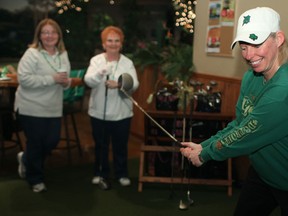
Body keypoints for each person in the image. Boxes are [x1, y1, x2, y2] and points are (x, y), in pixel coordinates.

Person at [180, 7, 288, 216]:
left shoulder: (282, 92)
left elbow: (246, 134)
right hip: (263, 172)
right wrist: (203, 145)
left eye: (256, 43)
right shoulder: (251, 77)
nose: (249, 55)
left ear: (279, 39)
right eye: (244, 46)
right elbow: (240, 123)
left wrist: (205, 155)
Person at [16, 18, 71, 193]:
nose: (49, 36)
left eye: (53, 32)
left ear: (58, 35)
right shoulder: (32, 54)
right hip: (30, 107)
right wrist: (52, 79)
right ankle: (35, 179)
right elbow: (23, 79)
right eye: (45, 32)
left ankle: (26, 159)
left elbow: (66, 79)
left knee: (52, 141)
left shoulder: (63, 54)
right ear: (39, 36)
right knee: (36, 143)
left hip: (53, 107)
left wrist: (65, 83)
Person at [84, 26, 139, 190]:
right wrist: (100, 73)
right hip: (99, 113)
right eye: (110, 40)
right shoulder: (96, 61)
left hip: (122, 113)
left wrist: (119, 84)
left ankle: (121, 174)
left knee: (120, 146)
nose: (113, 44)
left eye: (117, 41)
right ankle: (100, 173)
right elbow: (89, 81)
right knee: (100, 145)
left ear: (121, 44)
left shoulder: (127, 63)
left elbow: (134, 84)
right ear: (103, 44)